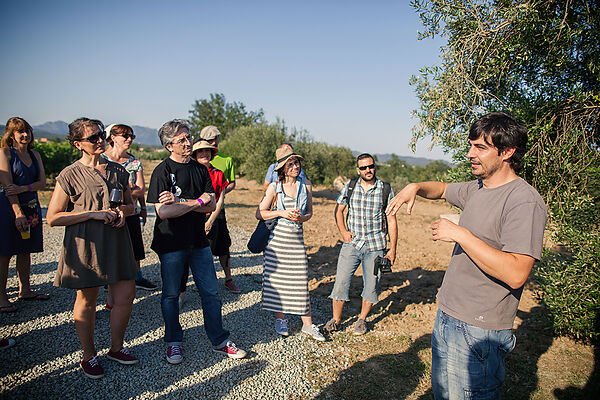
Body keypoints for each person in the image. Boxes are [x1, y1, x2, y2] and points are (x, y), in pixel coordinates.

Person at [386, 111, 548, 399]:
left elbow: (516, 272)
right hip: (448, 314)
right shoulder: (477, 188)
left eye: (481, 148)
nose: (471, 153)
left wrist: (460, 233)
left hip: (480, 330)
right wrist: (416, 187)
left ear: (508, 152)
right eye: (471, 145)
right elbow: (443, 189)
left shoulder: (523, 201)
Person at [147, 119, 246, 364]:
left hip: (199, 242)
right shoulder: (161, 171)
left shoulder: (201, 169)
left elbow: (211, 204)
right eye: (181, 140)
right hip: (171, 244)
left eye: (188, 137)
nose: (188, 142)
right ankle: (173, 342)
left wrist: (184, 203)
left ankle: (219, 340)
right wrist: (196, 202)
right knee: (171, 295)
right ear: (169, 145)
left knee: (211, 293)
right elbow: (164, 212)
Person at [47, 118, 139, 379]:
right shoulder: (69, 174)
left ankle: (116, 348)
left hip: (117, 241)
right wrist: (92, 214)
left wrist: (123, 211)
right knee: (87, 300)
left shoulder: (119, 171)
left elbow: (131, 206)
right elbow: (53, 217)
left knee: (126, 295)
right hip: (85, 243)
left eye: (101, 135)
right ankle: (88, 355)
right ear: (78, 144)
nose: (100, 140)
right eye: (92, 137)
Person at [323, 153, 397, 335]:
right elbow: (339, 210)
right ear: (358, 170)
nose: (368, 170)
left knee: (371, 285)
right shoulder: (350, 186)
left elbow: (392, 220)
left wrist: (393, 249)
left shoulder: (385, 189)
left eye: (370, 166)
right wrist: (343, 232)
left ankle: (362, 320)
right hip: (352, 244)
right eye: (363, 168)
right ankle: (335, 320)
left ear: (375, 166)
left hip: (376, 246)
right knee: (341, 282)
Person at [256, 146, 324, 341]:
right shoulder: (274, 187)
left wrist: (303, 218)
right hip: (276, 241)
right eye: (291, 163)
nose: (295, 166)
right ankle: (281, 320)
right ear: (283, 168)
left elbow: (310, 212)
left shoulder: (306, 185)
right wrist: (281, 212)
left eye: (297, 162)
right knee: (277, 281)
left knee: (301, 281)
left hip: (296, 240)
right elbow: (259, 213)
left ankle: (308, 325)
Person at [0, 117, 48, 313]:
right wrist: (18, 212)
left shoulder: (35, 154)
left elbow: (42, 183)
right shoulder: (4, 153)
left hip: (31, 205)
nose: (25, 134)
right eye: (20, 131)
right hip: (10, 207)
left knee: (25, 249)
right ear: (11, 135)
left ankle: (25, 290)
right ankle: (1, 296)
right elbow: (7, 187)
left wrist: (22, 188)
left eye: (27, 130)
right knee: (5, 252)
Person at [103, 123, 157, 295]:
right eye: (125, 136)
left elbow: (141, 189)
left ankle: (137, 277)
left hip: (131, 212)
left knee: (135, 247)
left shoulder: (134, 162)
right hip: (108, 213)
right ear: (112, 137)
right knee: (110, 247)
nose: (129, 139)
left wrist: (141, 207)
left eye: (132, 136)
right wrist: (129, 191)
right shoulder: (102, 160)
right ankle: (110, 279)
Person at [178, 140, 233, 308]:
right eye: (200, 151)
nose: (205, 154)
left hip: (215, 215)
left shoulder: (218, 173)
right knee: (190, 253)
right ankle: (182, 293)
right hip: (193, 217)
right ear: (194, 154)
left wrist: (210, 221)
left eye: (207, 151)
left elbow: (219, 199)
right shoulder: (189, 172)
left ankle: (228, 279)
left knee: (223, 247)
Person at [197, 125, 240, 293]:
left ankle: (228, 278)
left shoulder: (226, 160)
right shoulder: (195, 161)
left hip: (217, 208)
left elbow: (230, 182)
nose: (213, 142)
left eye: (216, 139)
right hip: (198, 209)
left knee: (223, 245)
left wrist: (218, 192)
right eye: (209, 140)